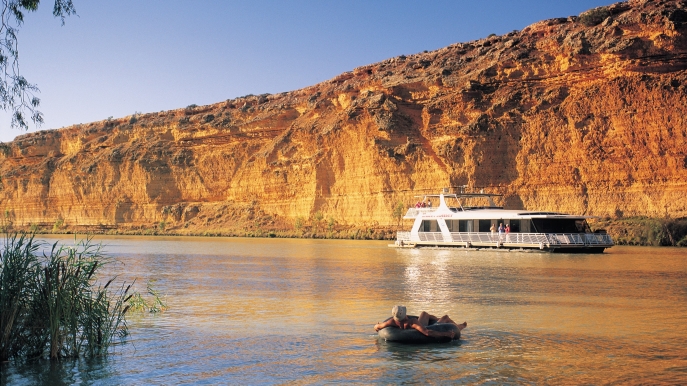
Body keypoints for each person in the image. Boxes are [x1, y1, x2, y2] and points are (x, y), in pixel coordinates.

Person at [374, 305, 467, 339]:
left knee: (424, 314)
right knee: (445, 318)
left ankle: (437, 319)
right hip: (420, 327)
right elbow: (427, 332)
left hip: (414, 327)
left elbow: (377, 327)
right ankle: (460, 327)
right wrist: (446, 334)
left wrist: (378, 328)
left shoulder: (392, 322)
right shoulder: (412, 322)